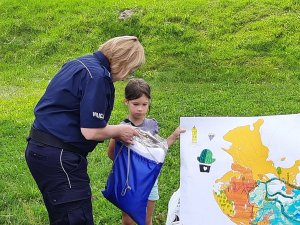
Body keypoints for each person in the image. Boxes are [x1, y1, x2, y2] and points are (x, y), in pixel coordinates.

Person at [25, 36, 145, 225]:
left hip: (41, 148)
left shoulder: (79, 63)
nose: (128, 75)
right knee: (75, 217)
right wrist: (120, 131)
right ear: (123, 61)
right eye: (131, 68)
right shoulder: (97, 76)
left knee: (63, 215)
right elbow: (91, 131)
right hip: (60, 156)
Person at [107, 78, 185, 225]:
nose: (140, 109)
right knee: (129, 220)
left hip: (150, 181)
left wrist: (174, 136)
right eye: (135, 104)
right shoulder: (122, 128)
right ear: (126, 102)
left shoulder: (152, 125)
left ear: (149, 102)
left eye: (144, 104)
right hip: (129, 182)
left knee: (146, 220)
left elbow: (158, 152)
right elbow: (111, 154)